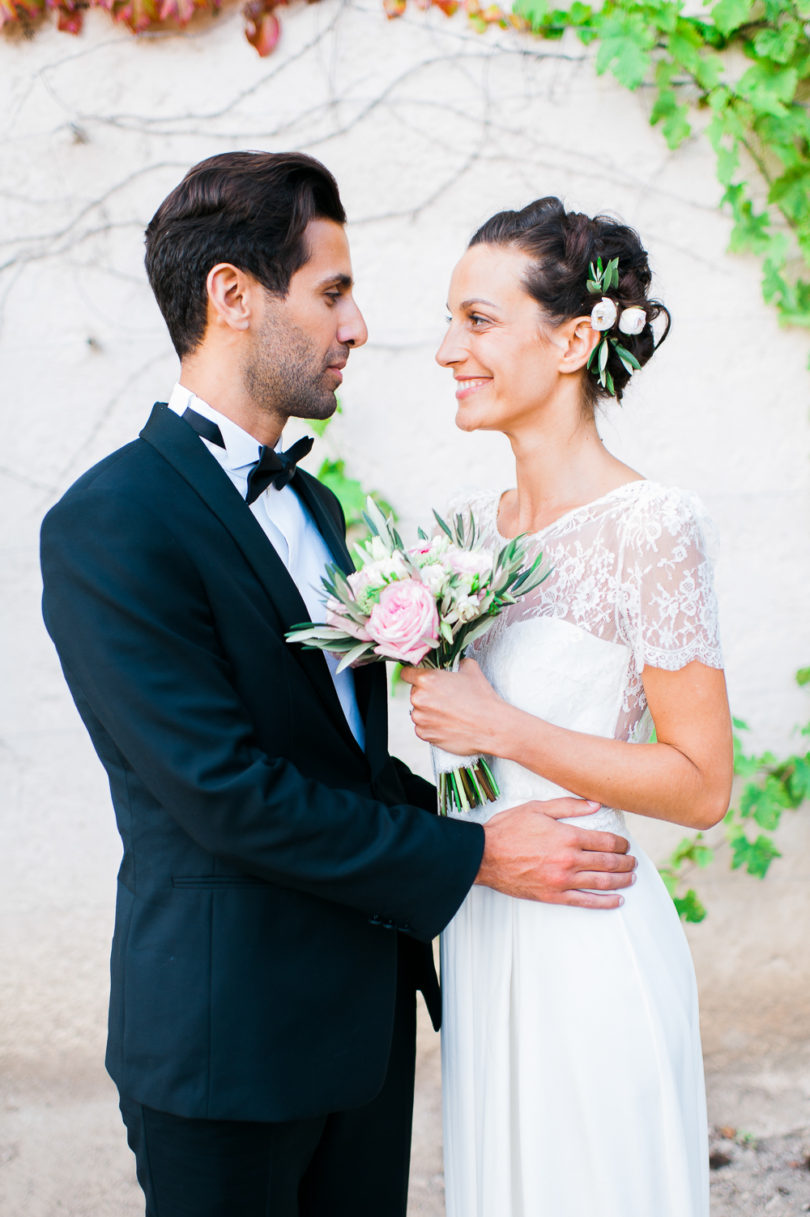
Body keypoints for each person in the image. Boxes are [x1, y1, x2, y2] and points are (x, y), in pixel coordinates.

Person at [39, 156, 638, 1217]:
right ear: (232, 295)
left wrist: (502, 814)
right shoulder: (109, 521)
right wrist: (479, 852)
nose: (358, 325)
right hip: (227, 1049)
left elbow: (341, 766)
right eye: (332, 291)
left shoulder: (315, 509)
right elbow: (225, 790)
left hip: (362, 1038)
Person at [402, 197, 734, 1217]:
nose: (448, 347)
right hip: (486, 934)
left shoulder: (651, 525)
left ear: (575, 339)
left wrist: (499, 725)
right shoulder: (461, 535)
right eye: (452, 320)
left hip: (588, 936)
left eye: (479, 319)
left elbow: (702, 783)